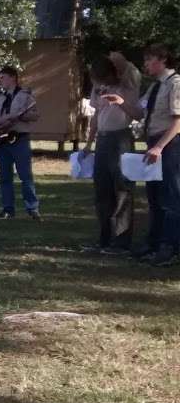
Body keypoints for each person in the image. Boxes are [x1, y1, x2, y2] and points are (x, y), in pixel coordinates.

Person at [79, 52, 142, 254]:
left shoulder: (128, 83)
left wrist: (120, 101)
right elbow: (97, 115)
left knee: (122, 189)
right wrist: (89, 144)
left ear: (110, 74)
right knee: (102, 191)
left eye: (101, 79)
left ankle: (121, 242)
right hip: (103, 141)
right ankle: (104, 239)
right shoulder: (98, 88)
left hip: (121, 139)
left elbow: (139, 114)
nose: (98, 84)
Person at [134, 45, 180, 266]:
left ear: (162, 59)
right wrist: (120, 103)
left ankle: (169, 247)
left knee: (171, 196)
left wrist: (160, 147)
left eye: (149, 59)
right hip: (154, 142)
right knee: (154, 196)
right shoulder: (154, 87)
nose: (145, 64)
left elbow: (178, 121)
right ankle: (153, 243)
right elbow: (139, 112)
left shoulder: (175, 84)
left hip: (169, 145)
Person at [0, 65, 41, 220]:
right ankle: (8, 209)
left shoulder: (25, 95)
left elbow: (35, 115)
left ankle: (32, 209)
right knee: (5, 177)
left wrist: (20, 116)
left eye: (3, 77)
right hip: (2, 141)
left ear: (13, 77)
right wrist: (6, 118)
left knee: (25, 175)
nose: (0, 81)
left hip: (20, 139)